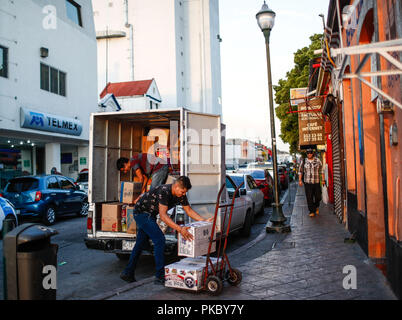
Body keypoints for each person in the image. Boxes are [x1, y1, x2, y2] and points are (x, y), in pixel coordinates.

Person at [120, 176, 213, 284]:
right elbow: (163, 216)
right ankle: (160, 276)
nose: (183, 194)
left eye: (185, 192)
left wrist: (204, 221)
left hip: (150, 215)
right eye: (182, 192)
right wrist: (180, 229)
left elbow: (188, 210)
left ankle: (127, 272)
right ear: (176, 186)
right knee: (160, 240)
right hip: (142, 214)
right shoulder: (164, 191)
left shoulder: (180, 195)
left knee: (140, 244)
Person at [298, 149, 325, 217]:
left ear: (313, 153)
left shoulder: (317, 160)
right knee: (309, 197)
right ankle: (311, 211)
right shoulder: (304, 161)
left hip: (316, 182)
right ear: (306, 154)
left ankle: (316, 206)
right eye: (308, 153)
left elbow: (321, 170)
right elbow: (300, 171)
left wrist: (323, 180)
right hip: (307, 182)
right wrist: (300, 180)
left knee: (318, 197)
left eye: (310, 153)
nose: (309, 154)